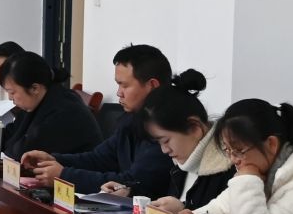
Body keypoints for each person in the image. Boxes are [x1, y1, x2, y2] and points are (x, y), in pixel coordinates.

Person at [21, 45, 185, 196]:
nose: (119, 93)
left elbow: (135, 182)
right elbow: (99, 158)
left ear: (152, 85)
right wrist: (53, 160)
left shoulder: (169, 127)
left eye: (124, 85)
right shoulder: (131, 119)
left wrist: (64, 176)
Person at [119, 82, 232, 210]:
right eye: (159, 143)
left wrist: (183, 212)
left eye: (166, 140)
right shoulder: (181, 163)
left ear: (194, 128)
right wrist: (129, 192)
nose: (164, 150)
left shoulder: (232, 167)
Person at [0, 52, 101, 161]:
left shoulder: (65, 111)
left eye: (12, 92)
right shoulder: (37, 101)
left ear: (34, 88)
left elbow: (24, 153)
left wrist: (5, 145)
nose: (10, 98)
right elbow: (11, 134)